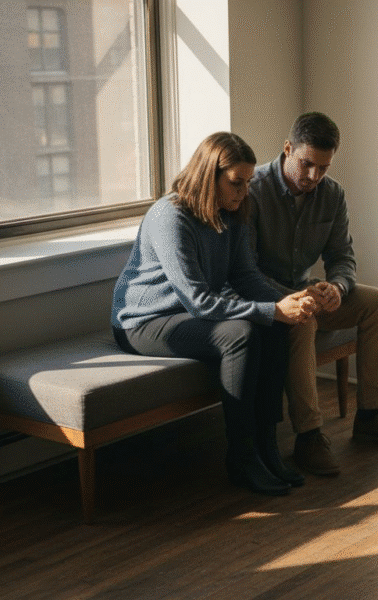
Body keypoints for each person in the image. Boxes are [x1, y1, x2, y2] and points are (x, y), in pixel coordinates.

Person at [111, 132, 318, 496]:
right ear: (210, 175)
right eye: (236, 183)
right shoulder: (171, 217)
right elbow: (198, 301)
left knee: (271, 326)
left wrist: (288, 302)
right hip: (145, 321)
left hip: (189, 315)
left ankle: (267, 447)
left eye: (249, 182)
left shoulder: (234, 212)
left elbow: (245, 277)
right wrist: (271, 309)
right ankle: (240, 455)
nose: (243, 192)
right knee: (240, 333)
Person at [248, 112, 378, 477]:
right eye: (306, 164)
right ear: (286, 149)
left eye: (323, 168)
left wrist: (338, 288)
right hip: (269, 299)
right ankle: (309, 436)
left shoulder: (333, 194)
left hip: (309, 291)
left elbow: (342, 257)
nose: (314, 176)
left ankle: (372, 416)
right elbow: (246, 271)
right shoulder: (253, 191)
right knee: (303, 321)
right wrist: (295, 299)